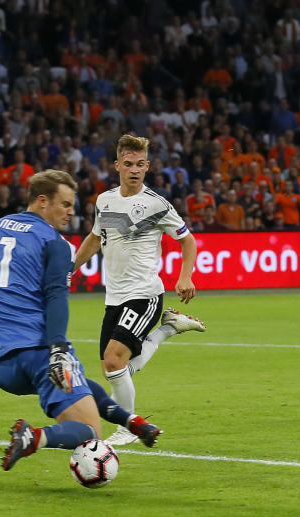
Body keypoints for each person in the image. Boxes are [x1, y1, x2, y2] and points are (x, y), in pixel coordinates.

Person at [0, 169, 162, 471]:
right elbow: (55, 298)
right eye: (64, 204)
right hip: (36, 350)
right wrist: (58, 347)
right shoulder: (56, 244)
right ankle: (34, 437)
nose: (71, 211)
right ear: (42, 201)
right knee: (90, 433)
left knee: (78, 383)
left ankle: (131, 420)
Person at [74, 134, 206, 446]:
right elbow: (95, 238)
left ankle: (127, 428)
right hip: (114, 297)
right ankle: (167, 330)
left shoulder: (156, 205)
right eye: (129, 164)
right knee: (114, 369)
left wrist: (185, 276)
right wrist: (71, 267)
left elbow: (188, 240)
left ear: (147, 167)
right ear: (117, 165)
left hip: (145, 294)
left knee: (114, 361)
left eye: (140, 164)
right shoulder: (104, 201)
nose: (134, 169)